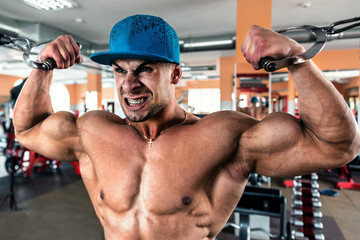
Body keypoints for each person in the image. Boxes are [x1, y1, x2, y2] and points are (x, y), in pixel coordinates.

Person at [12, 14, 360, 240]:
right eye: (120, 70)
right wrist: (42, 67)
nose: (129, 84)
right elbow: (27, 129)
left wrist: (297, 60)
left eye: (145, 69)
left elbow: (336, 145)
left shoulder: (222, 136)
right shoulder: (92, 131)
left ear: (175, 74)